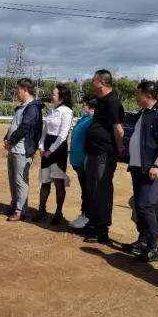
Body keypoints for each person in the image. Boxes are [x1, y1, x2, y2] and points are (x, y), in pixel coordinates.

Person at [125, 81, 158, 262]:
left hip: (150, 168)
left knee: (146, 205)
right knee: (138, 205)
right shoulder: (144, 112)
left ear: (147, 95)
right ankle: (142, 241)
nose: (136, 97)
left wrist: (157, 164)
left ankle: (153, 247)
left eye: (137, 94)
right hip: (138, 167)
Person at [83, 69, 125, 244]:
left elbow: (118, 129)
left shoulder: (113, 102)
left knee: (101, 189)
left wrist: (120, 148)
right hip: (94, 152)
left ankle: (102, 230)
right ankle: (93, 223)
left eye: (93, 80)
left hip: (104, 154)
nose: (91, 82)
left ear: (101, 82)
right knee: (92, 189)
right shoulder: (101, 100)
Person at [3, 79, 44, 222]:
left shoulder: (32, 108)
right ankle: (15, 205)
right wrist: (6, 137)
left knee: (20, 180)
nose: (16, 92)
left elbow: (24, 127)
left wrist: (11, 141)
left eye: (18, 89)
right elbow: (15, 124)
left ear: (25, 90)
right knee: (13, 179)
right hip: (14, 148)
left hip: (22, 149)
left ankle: (20, 210)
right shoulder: (22, 106)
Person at [34, 84, 74, 225]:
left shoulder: (66, 111)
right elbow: (44, 131)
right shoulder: (52, 111)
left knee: (58, 183)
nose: (51, 95)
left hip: (58, 150)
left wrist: (50, 150)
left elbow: (63, 135)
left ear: (61, 97)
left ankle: (58, 212)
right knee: (44, 181)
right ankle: (41, 210)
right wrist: (41, 147)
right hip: (46, 149)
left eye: (54, 94)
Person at [68, 95, 96, 230]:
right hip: (77, 161)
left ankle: (88, 217)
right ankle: (84, 214)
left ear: (90, 105)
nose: (82, 106)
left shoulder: (93, 120)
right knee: (84, 190)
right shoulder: (84, 118)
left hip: (85, 162)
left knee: (87, 191)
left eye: (84, 104)